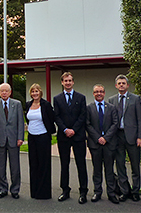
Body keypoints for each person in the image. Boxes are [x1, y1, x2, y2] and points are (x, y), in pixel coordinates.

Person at [108, 74, 141, 202]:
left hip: (133, 137)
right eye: (119, 83)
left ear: (127, 85)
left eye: (124, 83)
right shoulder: (111, 100)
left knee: (135, 165)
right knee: (120, 165)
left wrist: (140, 136)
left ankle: (135, 191)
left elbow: (140, 119)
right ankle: (124, 191)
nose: (121, 85)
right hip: (118, 137)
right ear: (116, 85)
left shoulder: (135, 99)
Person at [53, 72, 88, 204]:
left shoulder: (81, 97)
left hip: (78, 136)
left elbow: (83, 116)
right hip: (63, 136)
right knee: (64, 164)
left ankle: (83, 191)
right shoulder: (57, 99)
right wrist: (65, 129)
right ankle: (65, 190)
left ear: (73, 82)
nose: (68, 83)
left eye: (70, 81)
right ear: (62, 82)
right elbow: (56, 116)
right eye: (65, 81)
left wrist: (74, 129)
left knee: (81, 164)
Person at [0, 83, 25, 199]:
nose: (4, 93)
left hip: (14, 140)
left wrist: (21, 138)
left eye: (6, 91)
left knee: (15, 167)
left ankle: (15, 190)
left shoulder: (17, 104)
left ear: (10, 92)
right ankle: (2, 189)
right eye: (2, 91)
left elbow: (20, 122)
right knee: (0, 167)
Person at [86, 84, 120, 204]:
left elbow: (115, 123)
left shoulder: (111, 107)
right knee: (97, 169)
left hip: (109, 143)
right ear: (93, 94)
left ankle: (111, 193)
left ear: (104, 93)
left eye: (101, 91)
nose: (99, 93)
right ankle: (97, 192)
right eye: (96, 92)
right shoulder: (89, 107)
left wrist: (105, 138)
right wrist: (98, 138)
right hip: (95, 144)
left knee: (109, 169)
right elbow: (88, 124)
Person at [25, 83, 55, 199]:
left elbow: (51, 118)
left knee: (44, 164)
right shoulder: (28, 104)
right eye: (33, 92)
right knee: (34, 164)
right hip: (32, 137)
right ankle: (35, 191)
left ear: (40, 92)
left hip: (43, 137)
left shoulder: (46, 105)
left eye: (36, 91)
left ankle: (44, 193)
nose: (35, 93)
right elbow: (28, 120)